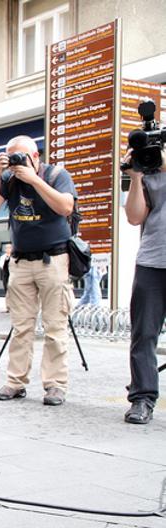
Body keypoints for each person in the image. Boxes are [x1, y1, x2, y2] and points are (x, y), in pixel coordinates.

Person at [0, 135, 76, 406]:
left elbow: (65, 207)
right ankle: (15, 382)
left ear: (36, 157)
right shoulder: (9, 180)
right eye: (11, 158)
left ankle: (55, 385)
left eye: (21, 157)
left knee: (55, 326)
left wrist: (34, 179)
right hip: (21, 263)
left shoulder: (57, 175)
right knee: (20, 326)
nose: (16, 163)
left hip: (54, 260)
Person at [121, 147, 166, 424]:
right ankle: (142, 398)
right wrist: (136, 177)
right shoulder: (149, 173)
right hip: (152, 261)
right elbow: (135, 217)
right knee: (143, 335)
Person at [0, 243, 13, 312]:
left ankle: (14, 307)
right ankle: (8, 307)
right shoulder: (2, 257)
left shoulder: (14, 256)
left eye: (9, 248)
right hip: (6, 275)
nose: (8, 249)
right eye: (6, 248)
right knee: (7, 291)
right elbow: (1, 266)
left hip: (13, 275)